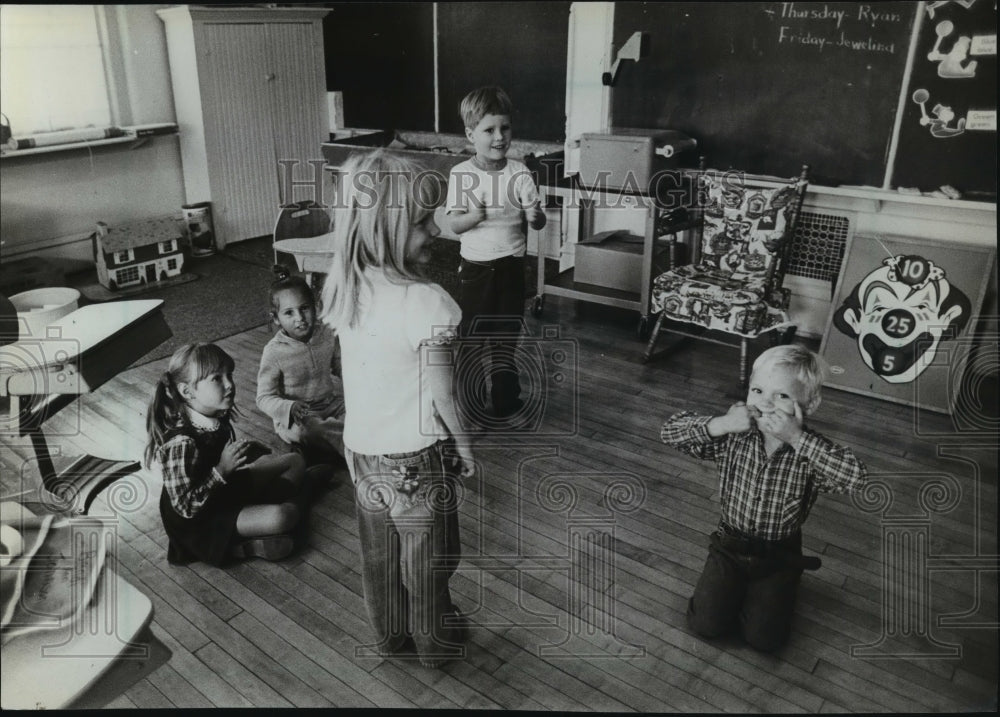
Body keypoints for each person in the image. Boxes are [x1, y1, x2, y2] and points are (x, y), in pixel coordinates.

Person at [320, 149, 475, 668]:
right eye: (420, 223)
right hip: (414, 456)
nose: (435, 230)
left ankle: (390, 638)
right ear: (385, 229)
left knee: (379, 557)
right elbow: (443, 394)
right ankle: (436, 645)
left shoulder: (346, 287)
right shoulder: (426, 302)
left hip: (361, 451)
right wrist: (466, 443)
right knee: (430, 560)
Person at [660, 344, 867, 651]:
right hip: (729, 546)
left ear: (809, 404)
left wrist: (796, 438)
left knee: (765, 640)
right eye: (757, 391)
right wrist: (719, 424)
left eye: (782, 396)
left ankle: (775, 589)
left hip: (778, 556)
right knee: (706, 625)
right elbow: (669, 432)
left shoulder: (808, 450)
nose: (766, 404)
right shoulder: (733, 435)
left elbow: (856, 478)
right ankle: (734, 593)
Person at [144, 342, 308, 566]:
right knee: (283, 516)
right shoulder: (180, 443)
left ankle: (261, 515)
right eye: (216, 379)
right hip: (202, 522)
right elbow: (185, 507)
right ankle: (241, 545)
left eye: (229, 375)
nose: (229, 384)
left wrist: (241, 457)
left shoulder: (213, 412)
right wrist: (222, 469)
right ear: (186, 391)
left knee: (295, 461)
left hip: (223, 490)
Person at [445, 85, 546, 422]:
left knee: (506, 338)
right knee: (473, 339)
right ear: (470, 134)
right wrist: (474, 217)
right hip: (476, 270)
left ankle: (505, 399)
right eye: (489, 130)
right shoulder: (462, 174)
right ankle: (471, 403)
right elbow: (454, 226)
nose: (500, 137)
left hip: (512, 268)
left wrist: (536, 216)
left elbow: (539, 218)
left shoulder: (519, 172)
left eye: (505, 128)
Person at [257, 265, 346, 467]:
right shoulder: (274, 352)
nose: (299, 318)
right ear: (276, 319)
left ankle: (326, 448)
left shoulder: (326, 334)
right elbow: (263, 398)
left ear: (314, 307)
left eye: (304, 308)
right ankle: (348, 450)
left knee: (360, 411)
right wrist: (288, 407)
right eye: (289, 313)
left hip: (329, 403)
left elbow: (340, 365)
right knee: (310, 430)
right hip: (299, 415)